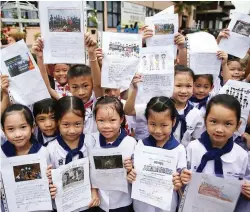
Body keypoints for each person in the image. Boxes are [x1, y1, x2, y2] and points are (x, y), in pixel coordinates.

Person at [180, 94, 250, 210]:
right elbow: (183, 175)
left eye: (228, 124)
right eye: (213, 121)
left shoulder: (241, 155)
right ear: (205, 120)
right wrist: (183, 177)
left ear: (238, 125)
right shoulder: (193, 148)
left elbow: (245, 180)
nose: (219, 129)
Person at [127, 96, 186, 212]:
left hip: (166, 206)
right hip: (142, 205)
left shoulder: (179, 150)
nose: (158, 131)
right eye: (152, 124)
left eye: (164, 125)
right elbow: (132, 174)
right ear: (146, 121)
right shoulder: (140, 146)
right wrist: (130, 174)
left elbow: (181, 180)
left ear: (173, 122)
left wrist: (180, 181)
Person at [46, 96, 100, 211]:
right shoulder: (50, 149)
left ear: (84, 121)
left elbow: (95, 170)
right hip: (62, 205)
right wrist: (49, 185)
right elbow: (48, 180)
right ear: (57, 122)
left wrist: (94, 191)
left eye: (77, 124)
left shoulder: (91, 142)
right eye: (66, 125)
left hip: (88, 203)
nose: (72, 130)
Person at [85, 96, 137, 212]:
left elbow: (136, 173)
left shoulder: (131, 143)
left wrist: (130, 170)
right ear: (95, 120)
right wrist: (93, 191)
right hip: (99, 201)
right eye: (101, 120)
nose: (106, 126)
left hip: (123, 202)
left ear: (122, 119)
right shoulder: (89, 141)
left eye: (112, 120)